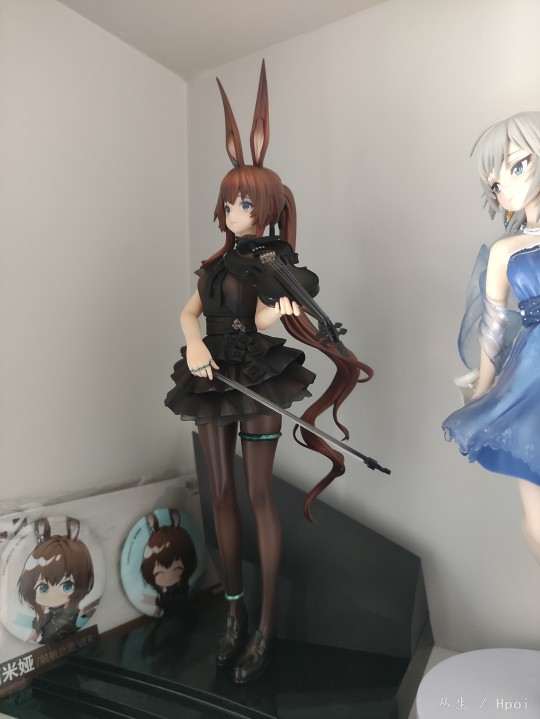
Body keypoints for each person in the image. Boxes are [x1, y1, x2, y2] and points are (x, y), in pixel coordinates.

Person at [165, 61, 371, 683]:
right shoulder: (213, 266)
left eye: (246, 203)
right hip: (210, 377)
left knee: (258, 496)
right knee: (220, 494)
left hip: (256, 376)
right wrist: (192, 344)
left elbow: (257, 317)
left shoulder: (274, 263)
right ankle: (233, 610)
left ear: (269, 208)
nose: (235, 212)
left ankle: (265, 626)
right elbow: (189, 312)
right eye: (230, 202)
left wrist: (277, 315)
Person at [443, 112, 540, 565]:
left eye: (518, 165)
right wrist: (483, 391)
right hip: (533, 377)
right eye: (496, 184)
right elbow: (494, 326)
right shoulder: (506, 250)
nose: (507, 187)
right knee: (537, 522)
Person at [17, 518, 95, 644]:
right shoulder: (43, 618)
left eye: (67, 586)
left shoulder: (75, 613)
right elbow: (33, 638)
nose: (53, 596)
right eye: (43, 588)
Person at [140, 510, 197, 617]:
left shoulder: (183, 586)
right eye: (160, 573)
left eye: (177, 568)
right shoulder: (162, 594)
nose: (169, 577)